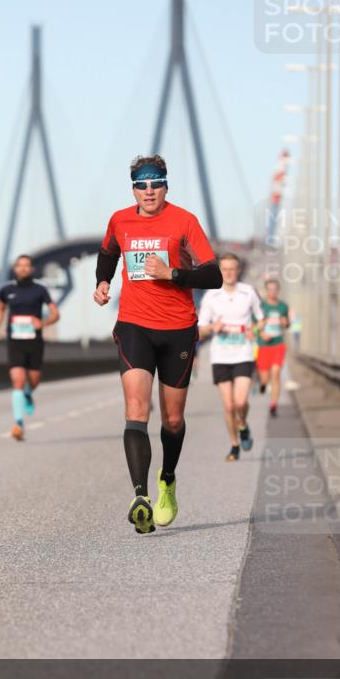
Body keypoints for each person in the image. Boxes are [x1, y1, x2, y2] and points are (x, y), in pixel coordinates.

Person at [93, 154, 221, 534]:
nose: (149, 191)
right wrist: (103, 282)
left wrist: (174, 273)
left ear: (166, 185)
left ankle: (167, 479)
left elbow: (213, 274)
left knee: (173, 419)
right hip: (134, 324)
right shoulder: (120, 220)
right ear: (133, 188)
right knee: (136, 408)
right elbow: (108, 253)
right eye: (141, 184)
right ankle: (140, 496)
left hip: (178, 328)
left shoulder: (184, 221)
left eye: (156, 182)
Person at [198, 253, 263, 461]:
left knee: (240, 401)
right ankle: (234, 445)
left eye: (232, 268)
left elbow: (261, 319)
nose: (228, 272)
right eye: (224, 269)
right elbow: (200, 329)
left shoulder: (249, 292)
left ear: (238, 270)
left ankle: (242, 424)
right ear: (220, 271)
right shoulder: (211, 296)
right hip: (221, 356)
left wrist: (255, 329)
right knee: (228, 406)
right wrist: (211, 327)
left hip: (243, 352)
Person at [0, 254, 60, 440]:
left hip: (34, 341)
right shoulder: (6, 290)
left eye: (26, 265)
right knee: (18, 380)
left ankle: (28, 394)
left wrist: (43, 322)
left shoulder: (40, 290)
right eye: (19, 265)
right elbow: (0, 309)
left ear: (32, 269)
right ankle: (18, 424)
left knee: (34, 380)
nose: (23, 268)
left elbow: (55, 314)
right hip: (15, 341)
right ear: (15, 269)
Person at [256, 277, 290, 418]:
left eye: (275, 289)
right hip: (263, 346)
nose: (272, 292)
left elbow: (287, 324)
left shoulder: (283, 306)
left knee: (276, 374)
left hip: (278, 344)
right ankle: (263, 383)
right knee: (265, 377)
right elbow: (254, 327)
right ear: (266, 291)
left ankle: (273, 405)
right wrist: (261, 332)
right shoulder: (260, 307)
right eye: (270, 289)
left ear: (278, 291)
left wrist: (285, 322)